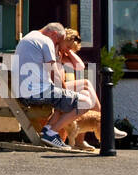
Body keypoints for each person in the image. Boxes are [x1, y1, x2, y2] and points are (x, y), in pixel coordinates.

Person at [13, 22, 94, 150]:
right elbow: (54, 72)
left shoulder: (28, 37)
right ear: (54, 34)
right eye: (58, 41)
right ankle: (50, 133)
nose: (57, 44)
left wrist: (66, 94)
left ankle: (48, 130)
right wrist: (66, 93)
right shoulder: (46, 40)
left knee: (70, 98)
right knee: (86, 102)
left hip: (23, 92)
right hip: (37, 93)